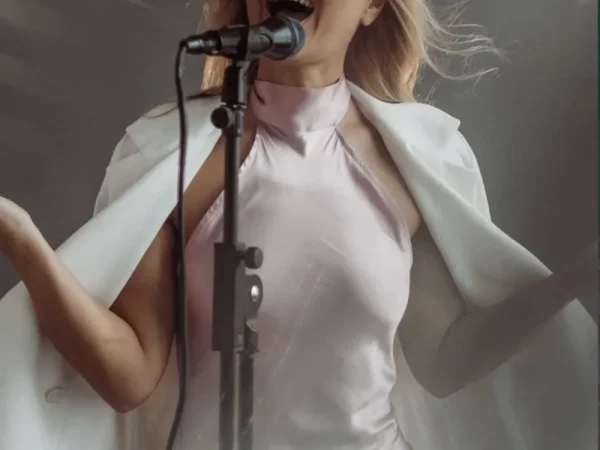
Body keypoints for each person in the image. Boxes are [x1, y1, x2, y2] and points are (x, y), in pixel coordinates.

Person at [0, 0, 596, 449]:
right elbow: (129, 376)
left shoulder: (419, 161)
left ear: (372, 7)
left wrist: (572, 280)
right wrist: (21, 238)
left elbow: (443, 358)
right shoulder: (169, 154)